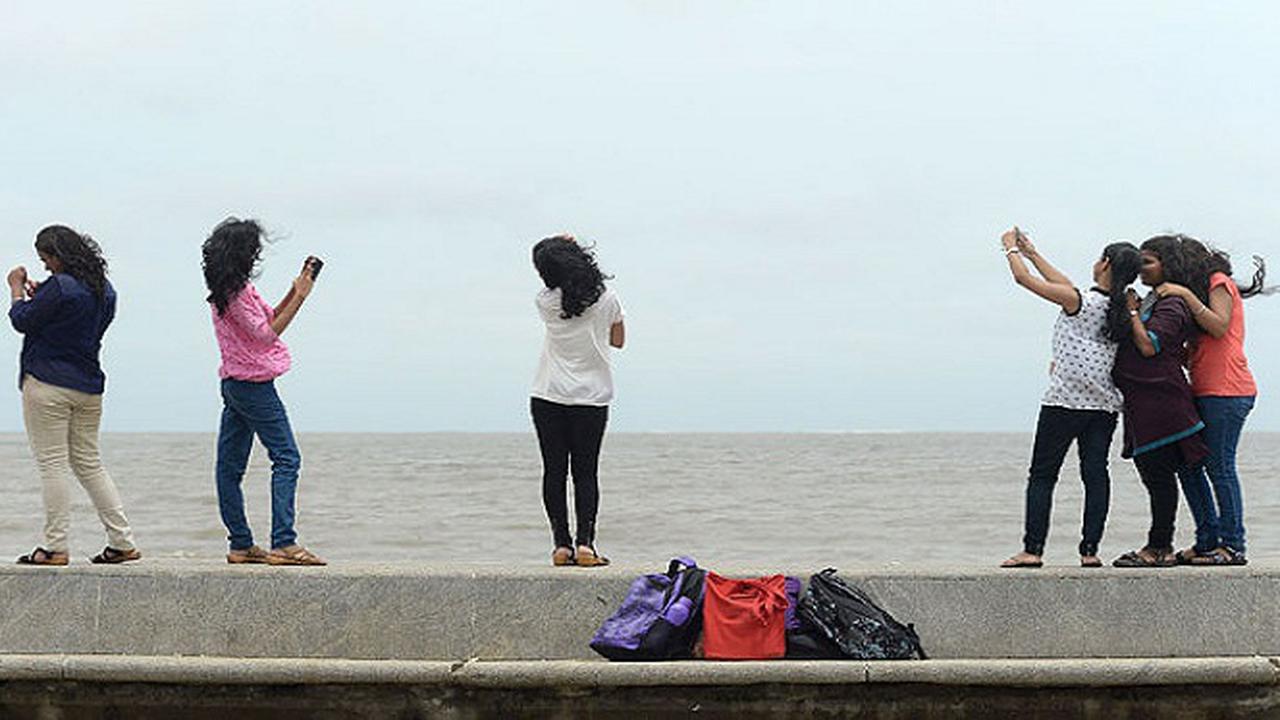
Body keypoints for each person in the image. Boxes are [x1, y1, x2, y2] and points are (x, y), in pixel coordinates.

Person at [999, 228, 1141, 569]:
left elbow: (1023, 280)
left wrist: (1009, 250)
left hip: (1064, 402)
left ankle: (1033, 550)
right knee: (1095, 475)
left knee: (1043, 475)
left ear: (1104, 262)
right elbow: (1062, 283)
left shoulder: (1080, 302)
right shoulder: (1118, 308)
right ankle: (1090, 551)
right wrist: (1032, 251)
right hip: (1104, 406)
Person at [8, 225, 140, 565]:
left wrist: (16, 290)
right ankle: (122, 541)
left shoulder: (61, 287)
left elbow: (22, 320)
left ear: (57, 254)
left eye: (46, 259)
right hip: (88, 387)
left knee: (52, 464)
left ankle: (54, 547)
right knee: (89, 463)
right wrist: (45, 295)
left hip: (48, 383)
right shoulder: (104, 290)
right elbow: (74, 321)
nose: (47, 266)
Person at [202, 218, 325, 566]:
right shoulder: (234, 294)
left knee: (229, 468)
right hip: (253, 386)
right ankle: (284, 543)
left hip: (235, 384)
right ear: (242, 253)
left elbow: (269, 315)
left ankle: (241, 544)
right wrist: (300, 301)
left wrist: (296, 290)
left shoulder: (232, 290)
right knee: (287, 458)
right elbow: (265, 334)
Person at [1156, 237, 1269, 565]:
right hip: (1204, 390)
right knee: (1188, 466)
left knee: (1219, 466)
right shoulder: (1199, 296)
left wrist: (1185, 295)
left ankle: (1233, 546)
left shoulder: (1218, 283)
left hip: (1229, 390)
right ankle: (1207, 540)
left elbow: (1219, 327)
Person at [1109, 235, 1209, 567]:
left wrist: (1134, 313)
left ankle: (1159, 546)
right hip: (1145, 403)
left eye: (1148, 261)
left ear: (1168, 265)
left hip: (1162, 404)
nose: (1141, 267)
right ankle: (1164, 543)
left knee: (1159, 477)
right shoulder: (1154, 298)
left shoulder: (1172, 303)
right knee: (1156, 476)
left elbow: (1149, 346)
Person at [529, 235, 625, 567]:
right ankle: (586, 546)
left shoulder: (545, 301)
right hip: (591, 397)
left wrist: (560, 246)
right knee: (586, 473)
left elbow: (552, 263)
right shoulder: (607, 298)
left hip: (547, 395)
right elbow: (619, 341)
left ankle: (561, 546)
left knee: (554, 471)